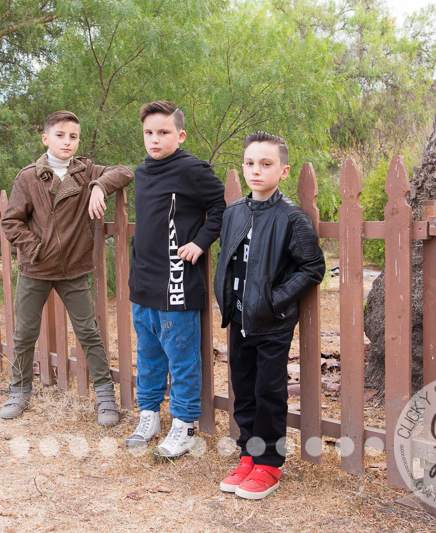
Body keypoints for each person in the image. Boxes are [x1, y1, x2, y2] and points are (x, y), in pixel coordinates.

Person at [0, 110, 133, 425]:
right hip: (36, 268)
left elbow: (125, 171)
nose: (67, 141)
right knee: (24, 333)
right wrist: (36, 249)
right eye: (60, 135)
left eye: (73, 136)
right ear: (46, 139)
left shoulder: (85, 171)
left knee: (88, 332)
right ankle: (19, 391)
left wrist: (99, 186)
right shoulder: (28, 176)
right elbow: (11, 221)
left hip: (73, 268)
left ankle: (104, 397)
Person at [214, 131, 325, 499]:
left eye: (266, 164)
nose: (256, 171)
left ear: (284, 170)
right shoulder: (234, 213)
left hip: (272, 323)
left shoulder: (291, 218)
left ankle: (270, 463)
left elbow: (312, 267)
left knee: (268, 391)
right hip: (240, 320)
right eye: (250, 163)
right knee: (243, 389)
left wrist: (274, 300)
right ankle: (249, 453)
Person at [125, 101, 226, 460]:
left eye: (163, 132)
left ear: (179, 135)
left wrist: (200, 242)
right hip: (143, 282)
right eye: (149, 132)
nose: (155, 139)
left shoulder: (192, 170)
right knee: (149, 355)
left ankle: (183, 426)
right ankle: (149, 417)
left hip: (177, 282)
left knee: (181, 359)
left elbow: (221, 208)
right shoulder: (142, 170)